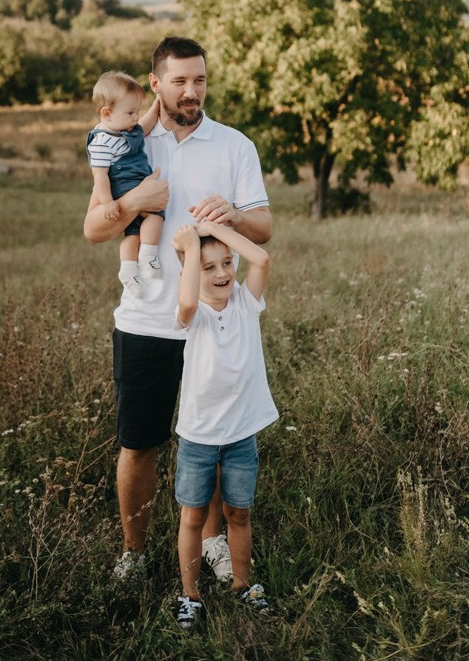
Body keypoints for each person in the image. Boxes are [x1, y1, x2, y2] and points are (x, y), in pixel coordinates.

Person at [82, 37, 272, 587]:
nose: (192, 92)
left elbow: (264, 228)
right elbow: (95, 229)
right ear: (156, 83)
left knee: (212, 440)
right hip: (145, 321)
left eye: (201, 81)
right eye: (180, 81)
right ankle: (134, 553)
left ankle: (212, 543)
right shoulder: (124, 140)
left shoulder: (234, 145)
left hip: (213, 325)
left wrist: (233, 214)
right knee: (139, 443)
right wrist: (132, 205)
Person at [170, 220, 278, 631]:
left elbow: (262, 258)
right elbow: (184, 302)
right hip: (198, 438)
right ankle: (190, 595)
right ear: (192, 273)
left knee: (238, 512)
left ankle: (243, 585)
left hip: (240, 435)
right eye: (208, 267)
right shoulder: (191, 314)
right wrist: (190, 249)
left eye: (227, 263)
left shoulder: (245, 303)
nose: (222, 274)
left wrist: (215, 228)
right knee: (194, 517)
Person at [86, 71, 163, 299]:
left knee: (132, 233)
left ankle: (128, 271)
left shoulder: (127, 129)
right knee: (155, 216)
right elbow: (99, 176)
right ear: (107, 113)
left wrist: (157, 104)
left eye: (137, 111)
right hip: (123, 186)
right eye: (130, 112)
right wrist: (108, 202)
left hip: (135, 181)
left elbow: (145, 126)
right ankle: (149, 256)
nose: (135, 118)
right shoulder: (101, 141)